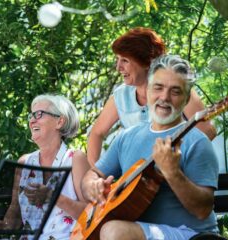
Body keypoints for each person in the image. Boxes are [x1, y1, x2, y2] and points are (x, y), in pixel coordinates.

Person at [81, 54, 219, 239]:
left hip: (191, 235)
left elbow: (202, 210)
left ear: (186, 100)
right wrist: (92, 185)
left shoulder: (197, 142)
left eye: (175, 91)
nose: (165, 97)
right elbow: (94, 173)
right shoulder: (127, 137)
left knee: (113, 231)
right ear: (147, 91)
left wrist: (172, 173)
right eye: (158, 88)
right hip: (142, 231)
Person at [87, 27, 217, 165]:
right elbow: (96, 134)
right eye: (117, 59)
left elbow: (207, 131)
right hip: (135, 180)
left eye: (125, 60)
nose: (118, 67)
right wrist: (97, 173)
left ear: (147, 61)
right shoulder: (121, 96)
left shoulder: (178, 90)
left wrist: (176, 160)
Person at [0, 94, 90, 239]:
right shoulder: (24, 163)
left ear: (59, 121)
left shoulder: (75, 159)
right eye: (31, 116)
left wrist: (52, 197)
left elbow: (90, 214)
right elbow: (15, 214)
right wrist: (4, 225)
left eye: (39, 114)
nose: (32, 120)